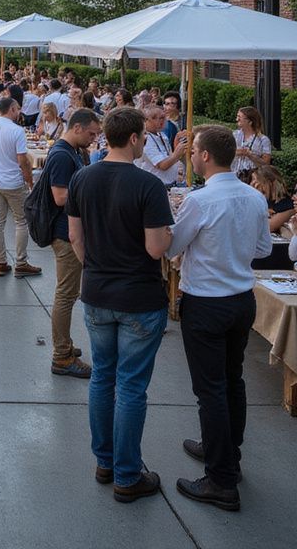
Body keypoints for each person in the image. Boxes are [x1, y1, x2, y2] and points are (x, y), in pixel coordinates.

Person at [67, 106, 174, 502]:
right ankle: (127, 476)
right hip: (139, 297)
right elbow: (155, 247)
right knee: (130, 386)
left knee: (102, 377)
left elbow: (75, 237)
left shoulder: (82, 177)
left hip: (96, 290)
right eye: (144, 136)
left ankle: (105, 461)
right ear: (133, 138)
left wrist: (96, 267)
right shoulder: (148, 186)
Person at [168, 126, 272, 511]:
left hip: (207, 302)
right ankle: (227, 452)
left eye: (193, 150)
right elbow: (262, 248)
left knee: (210, 389)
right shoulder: (253, 197)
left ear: (206, 156)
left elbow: (173, 246)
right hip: (242, 300)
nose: (191, 155)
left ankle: (221, 480)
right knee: (232, 381)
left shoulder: (200, 200)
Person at [46, 109, 103, 379]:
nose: (93, 139)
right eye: (91, 133)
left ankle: (65, 345)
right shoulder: (61, 154)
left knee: (66, 294)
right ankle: (61, 356)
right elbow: (59, 196)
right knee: (66, 295)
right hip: (64, 233)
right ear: (77, 128)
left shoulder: (70, 151)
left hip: (68, 230)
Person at [0, 95, 38, 279]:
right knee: (20, 221)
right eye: (17, 108)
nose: (19, 112)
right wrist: (29, 180)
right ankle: (21, 262)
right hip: (12, 182)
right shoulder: (17, 131)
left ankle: (1, 262)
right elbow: (23, 160)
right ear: (11, 109)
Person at [137, 105, 187, 186]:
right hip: (154, 185)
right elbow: (162, 165)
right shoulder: (146, 139)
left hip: (168, 183)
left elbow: (169, 157)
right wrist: (177, 153)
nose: (163, 121)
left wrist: (176, 143)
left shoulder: (161, 135)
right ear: (146, 120)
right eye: (158, 118)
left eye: (163, 117)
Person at [249, 165, 294, 233]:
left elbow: (269, 227)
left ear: (268, 183)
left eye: (255, 180)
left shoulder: (288, 204)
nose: (252, 183)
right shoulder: (264, 201)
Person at [232, 106, 271, 180]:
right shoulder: (234, 135)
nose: (237, 119)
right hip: (234, 177)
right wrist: (237, 152)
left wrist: (250, 155)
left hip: (253, 180)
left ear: (250, 122)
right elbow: (224, 154)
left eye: (240, 117)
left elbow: (266, 163)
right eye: (237, 116)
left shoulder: (263, 140)